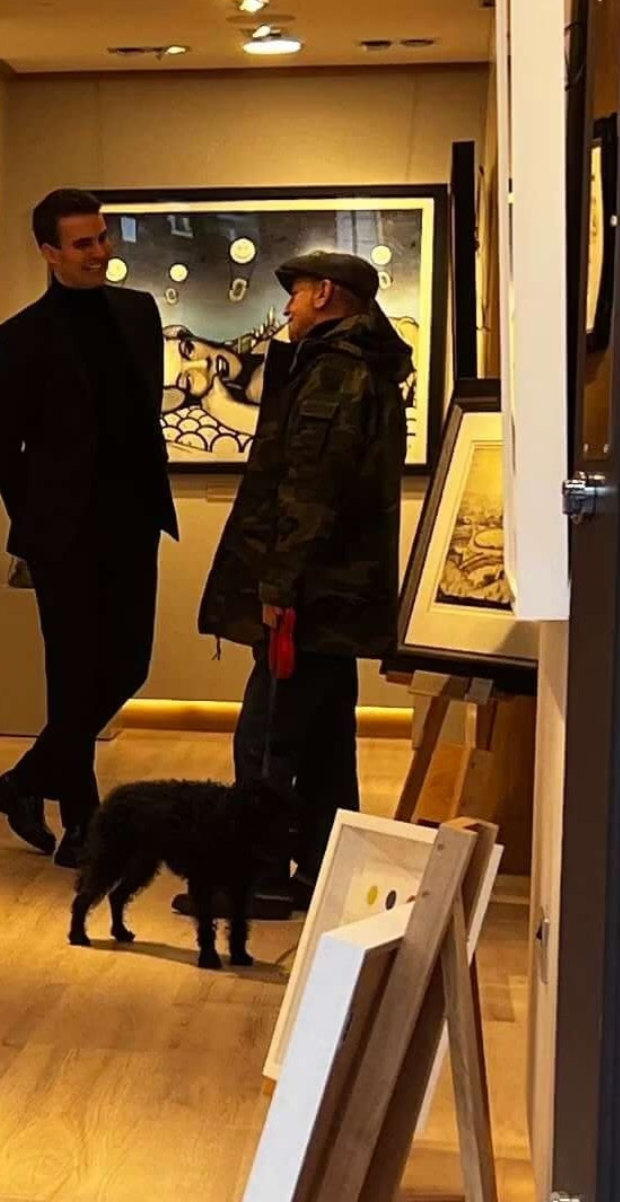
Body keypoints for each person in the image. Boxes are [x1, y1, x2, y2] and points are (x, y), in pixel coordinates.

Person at [196, 248, 412, 916]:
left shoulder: (334, 374)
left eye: (295, 294)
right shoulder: (365, 368)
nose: (287, 308)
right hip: (337, 600)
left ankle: (257, 875)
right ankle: (324, 870)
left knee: (268, 739)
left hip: (310, 598)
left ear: (324, 294)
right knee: (325, 744)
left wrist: (277, 587)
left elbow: (309, 490)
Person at [0, 187, 177, 867]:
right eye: (83, 243)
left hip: (135, 520)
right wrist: (35, 518)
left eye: (103, 237)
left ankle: (23, 782)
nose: (100, 252)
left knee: (129, 665)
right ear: (50, 253)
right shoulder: (21, 336)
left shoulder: (139, 313)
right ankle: (81, 825)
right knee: (72, 674)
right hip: (62, 534)